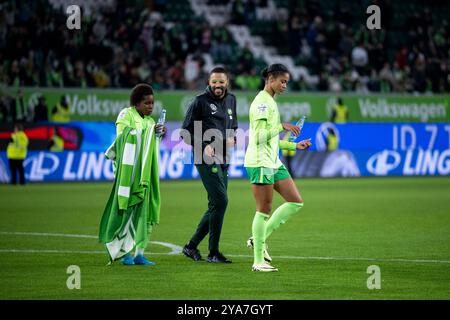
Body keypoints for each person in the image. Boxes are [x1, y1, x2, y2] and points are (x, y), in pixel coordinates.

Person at [244, 63, 312, 272]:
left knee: (296, 202)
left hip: (273, 160)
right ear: (270, 79)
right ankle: (257, 262)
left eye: (286, 82)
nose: (284, 85)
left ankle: (258, 238)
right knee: (263, 209)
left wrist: (293, 145)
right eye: (282, 81)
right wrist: (281, 126)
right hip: (260, 162)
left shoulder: (271, 102)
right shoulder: (262, 103)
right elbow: (258, 138)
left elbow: (271, 140)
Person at [99, 83, 166, 266]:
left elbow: (151, 147)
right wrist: (148, 133)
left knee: (145, 215)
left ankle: (139, 253)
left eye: (152, 103)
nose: (150, 107)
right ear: (136, 103)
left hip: (146, 176)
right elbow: (122, 139)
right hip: (128, 175)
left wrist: (159, 134)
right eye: (147, 103)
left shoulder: (151, 122)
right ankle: (123, 252)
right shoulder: (126, 115)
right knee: (127, 214)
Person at [181, 67, 237, 263]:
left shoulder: (231, 100)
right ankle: (213, 253)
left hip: (224, 157)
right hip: (205, 158)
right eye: (214, 82)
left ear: (226, 82)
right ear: (209, 82)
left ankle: (191, 246)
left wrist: (233, 138)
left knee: (216, 205)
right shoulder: (199, 101)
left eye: (221, 82)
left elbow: (233, 126)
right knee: (221, 201)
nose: (217, 86)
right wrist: (204, 145)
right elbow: (185, 132)